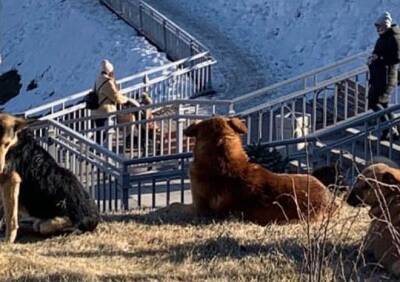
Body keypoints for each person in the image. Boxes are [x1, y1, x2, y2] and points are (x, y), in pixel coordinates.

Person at [368, 12, 400, 140]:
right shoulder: (386, 36)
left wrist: (379, 58)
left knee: (374, 102)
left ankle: (390, 128)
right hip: (380, 75)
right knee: (383, 104)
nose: (377, 29)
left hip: (386, 76)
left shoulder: (393, 37)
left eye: (379, 26)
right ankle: (392, 130)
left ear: (385, 25)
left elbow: (396, 58)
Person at [92, 59, 128, 143]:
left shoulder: (98, 79)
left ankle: (95, 151)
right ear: (110, 71)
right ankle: (99, 152)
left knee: (99, 133)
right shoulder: (107, 82)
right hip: (105, 112)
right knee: (105, 134)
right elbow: (116, 96)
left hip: (96, 111)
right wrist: (125, 99)